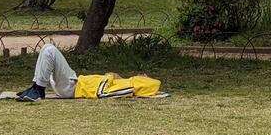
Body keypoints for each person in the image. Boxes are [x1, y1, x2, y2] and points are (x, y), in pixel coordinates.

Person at [13, 43, 162, 101]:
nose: (143, 74)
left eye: (145, 76)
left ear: (144, 82)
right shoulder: (125, 81)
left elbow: (102, 93)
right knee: (46, 47)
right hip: (74, 82)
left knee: (50, 50)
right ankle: (35, 87)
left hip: (72, 88)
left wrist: (109, 77)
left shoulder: (129, 86)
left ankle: (38, 90)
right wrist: (112, 77)